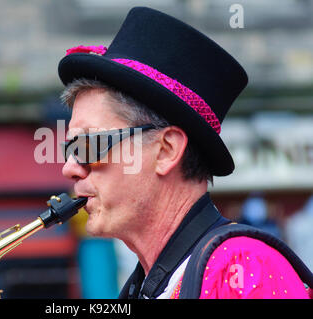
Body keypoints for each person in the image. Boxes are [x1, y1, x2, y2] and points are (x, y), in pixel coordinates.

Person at [57, 7, 311, 299]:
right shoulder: (147, 285)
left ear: (166, 151)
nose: (70, 168)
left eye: (88, 145)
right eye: (70, 149)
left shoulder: (242, 267)